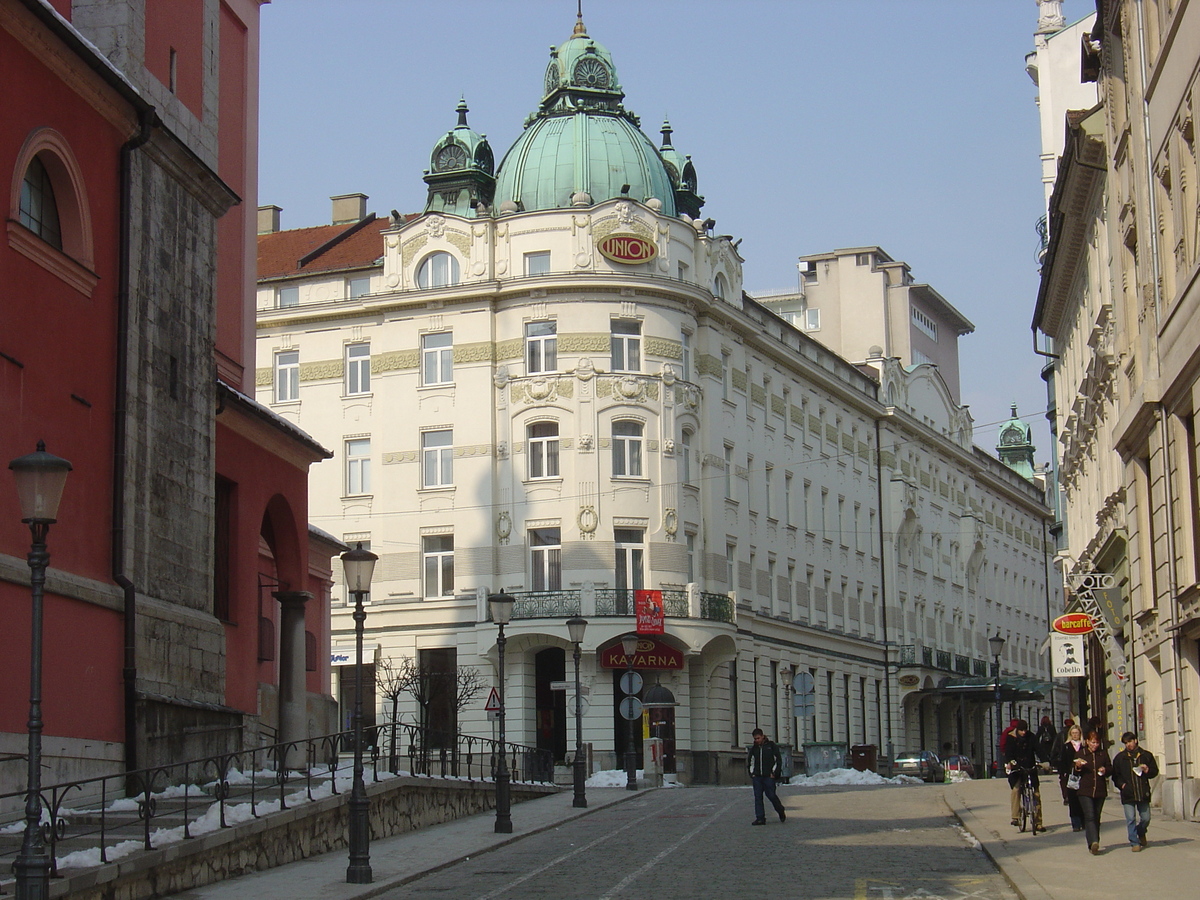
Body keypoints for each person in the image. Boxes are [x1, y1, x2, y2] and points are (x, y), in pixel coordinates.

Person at [1110, 732, 1159, 851]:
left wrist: (1147, 770)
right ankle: (1134, 842)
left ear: (1135, 740)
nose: (1128, 745)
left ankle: (1140, 831)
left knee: (1146, 818)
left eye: (1130, 742)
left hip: (1142, 792)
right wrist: (1122, 785)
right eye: (1126, 743)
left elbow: (1155, 771)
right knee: (1130, 818)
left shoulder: (1146, 755)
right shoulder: (1120, 758)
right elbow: (1115, 776)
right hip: (1128, 793)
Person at [1072, 730, 1112, 854]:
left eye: (1097, 743)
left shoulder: (1103, 754)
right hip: (1085, 790)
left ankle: (1094, 841)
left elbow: (1110, 769)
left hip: (1100, 790)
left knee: (1096, 817)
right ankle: (1093, 842)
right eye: (1093, 742)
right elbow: (1074, 772)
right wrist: (1078, 766)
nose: (1095, 745)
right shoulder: (1081, 754)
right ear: (1087, 742)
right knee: (1089, 816)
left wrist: (1105, 770)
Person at [1003, 719, 1043, 832]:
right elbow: (1008, 752)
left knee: (1036, 794)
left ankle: (1038, 822)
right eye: (1021, 730)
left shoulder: (1031, 737)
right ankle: (1015, 817)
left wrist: (1045, 761)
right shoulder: (1011, 738)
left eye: (1025, 730)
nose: (1023, 732)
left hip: (1030, 767)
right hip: (1017, 768)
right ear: (1017, 730)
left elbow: (1039, 750)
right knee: (1016, 789)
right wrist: (1011, 761)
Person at [746, 728, 786, 825]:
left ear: (763, 736)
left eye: (758, 738)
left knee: (771, 795)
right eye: (755, 739)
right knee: (758, 797)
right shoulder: (754, 749)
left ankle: (780, 810)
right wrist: (752, 773)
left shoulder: (771, 746)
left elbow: (778, 760)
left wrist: (774, 773)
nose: (756, 740)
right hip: (757, 777)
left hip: (768, 776)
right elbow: (750, 761)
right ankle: (760, 818)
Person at [1057, 723, 1085, 831]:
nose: (1075, 735)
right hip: (1071, 776)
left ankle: (1084, 821)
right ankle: (1075, 823)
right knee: (1073, 800)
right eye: (1073, 733)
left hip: (1083, 775)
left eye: (1076, 733)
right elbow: (1062, 761)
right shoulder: (1067, 746)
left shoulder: (1083, 746)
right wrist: (1063, 774)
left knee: (1083, 799)